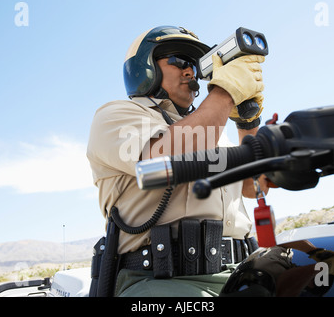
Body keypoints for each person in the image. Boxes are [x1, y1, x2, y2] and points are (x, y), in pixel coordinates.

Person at [87, 25, 269, 297]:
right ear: (146, 67)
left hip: (243, 271)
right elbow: (169, 158)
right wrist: (226, 92)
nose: (190, 71)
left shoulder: (211, 131)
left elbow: (254, 187)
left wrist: (248, 122)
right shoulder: (116, 115)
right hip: (161, 280)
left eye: (194, 65)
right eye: (180, 61)